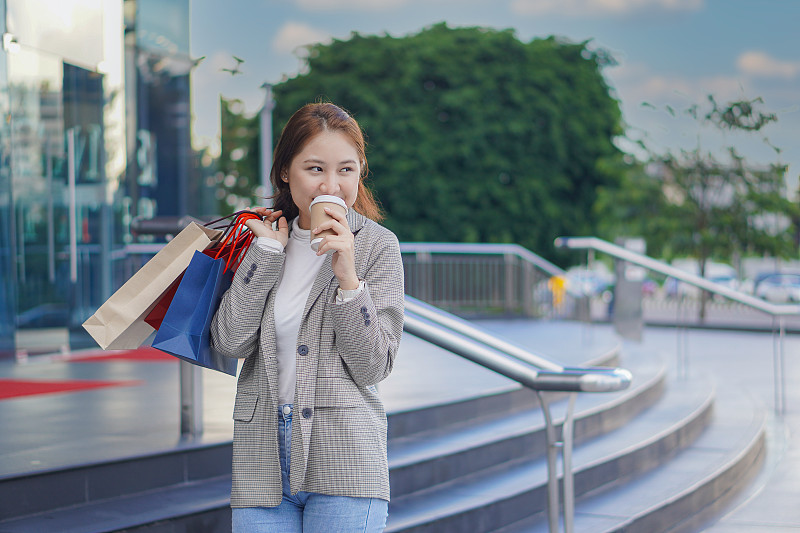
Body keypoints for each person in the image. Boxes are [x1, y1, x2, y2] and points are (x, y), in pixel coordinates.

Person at [210, 102, 404, 532]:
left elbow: (375, 364)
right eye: (315, 169)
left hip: (346, 458)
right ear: (285, 171)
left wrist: (348, 276)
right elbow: (229, 342)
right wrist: (266, 255)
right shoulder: (262, 240)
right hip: (262, 461)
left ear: (360, 172)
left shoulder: (377, 246)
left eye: (346, 170)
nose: (331, 185)